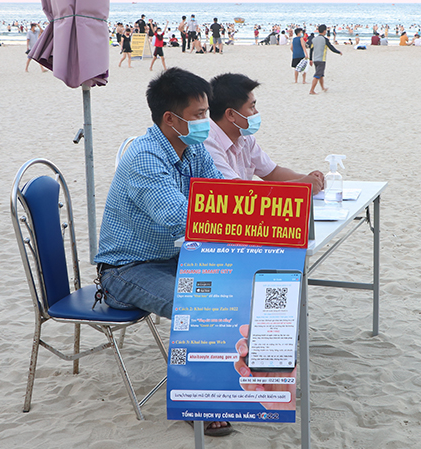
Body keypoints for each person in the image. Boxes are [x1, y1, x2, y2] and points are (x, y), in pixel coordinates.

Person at [95, 67, 232, 437]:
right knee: (198, 304)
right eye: (199, 116)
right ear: (170, 119)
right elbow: (179, 217)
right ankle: (196, 400)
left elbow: (222, 196)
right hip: (126, 269)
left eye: (207, 113)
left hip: (172, 257)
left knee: (233, 287)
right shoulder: (145, 157)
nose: (207, 123)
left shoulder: (194, 149)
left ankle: (237, 377)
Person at [204, 73, 324, 193]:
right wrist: (301, 185)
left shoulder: (244, 137)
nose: (256, 112)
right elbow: (238, 190)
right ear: (231, 115)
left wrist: (307, 179)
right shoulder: (208, 144)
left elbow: (272, 172)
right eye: (252, 107)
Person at [309, 24, 342, 95]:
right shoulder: (325, 39)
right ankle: (312, 90)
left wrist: (310, 59)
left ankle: (323, 88)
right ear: (324, 31)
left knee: (321, 75)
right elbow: (331, 48)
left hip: (315, 60)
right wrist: (338, 52)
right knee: (317, 75)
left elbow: (311, 50)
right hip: (321, 60)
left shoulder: (314, 39)